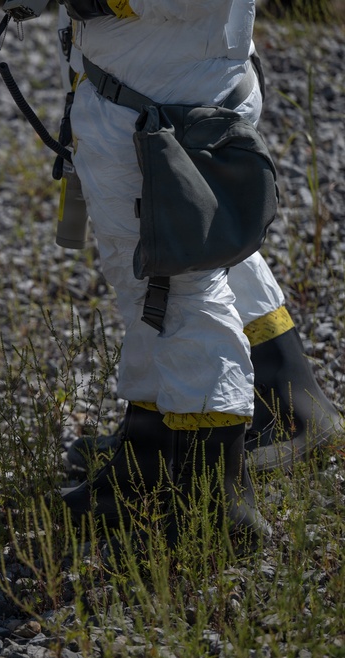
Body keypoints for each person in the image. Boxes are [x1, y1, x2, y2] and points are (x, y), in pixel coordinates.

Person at [50, 0, 343, 549]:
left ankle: (210, 506)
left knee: (180, 289)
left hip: (163, 103)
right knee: (166, 271)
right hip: (153, 88)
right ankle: (152, 453)